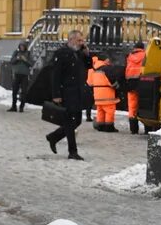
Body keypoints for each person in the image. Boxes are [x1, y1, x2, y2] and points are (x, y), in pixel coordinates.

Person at [45, 29, 93, 160]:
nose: (81, 43)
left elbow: (90, 66)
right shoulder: (61, 53)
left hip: (77, 92)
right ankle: (73, 151)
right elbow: (55, 75)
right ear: (71, 40)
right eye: (79, 40)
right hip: (66, 92)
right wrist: (56, 94)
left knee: (76, 121)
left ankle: (53, 137)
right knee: (69, 121)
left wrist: (87, 53)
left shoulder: (80, 53)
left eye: (82, 40)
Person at [90, 53, 119, 132]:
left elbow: (90, 82)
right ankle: (109, 127)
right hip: (107, 94)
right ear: (105, 60)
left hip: (97, 94)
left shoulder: (94, 69)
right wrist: (116, 86)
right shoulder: (106, 68)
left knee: (100, 110)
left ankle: (100, 126)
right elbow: (112, 80)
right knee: (109, 110)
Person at [125, 41, 146, 134]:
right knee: (144, 104)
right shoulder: (145, 55)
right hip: (142, 81)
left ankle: (133, 129)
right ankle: (147, 128)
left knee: (132, 105)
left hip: (130, 82)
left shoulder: (130, 56)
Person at [10, 41, 33, 112]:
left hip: (25, 75)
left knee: (24, 91)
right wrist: (17, 58)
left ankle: (21, 107)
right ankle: (14, 106)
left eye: (23, 46)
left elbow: (31, 64)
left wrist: (25, 60)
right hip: (16, 74)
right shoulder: (16, 52)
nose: (22, 47)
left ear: (25, 47)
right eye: (21, 46)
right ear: (19, 46)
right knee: (14, 91)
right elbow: (11, 61)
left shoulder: (28, 53)